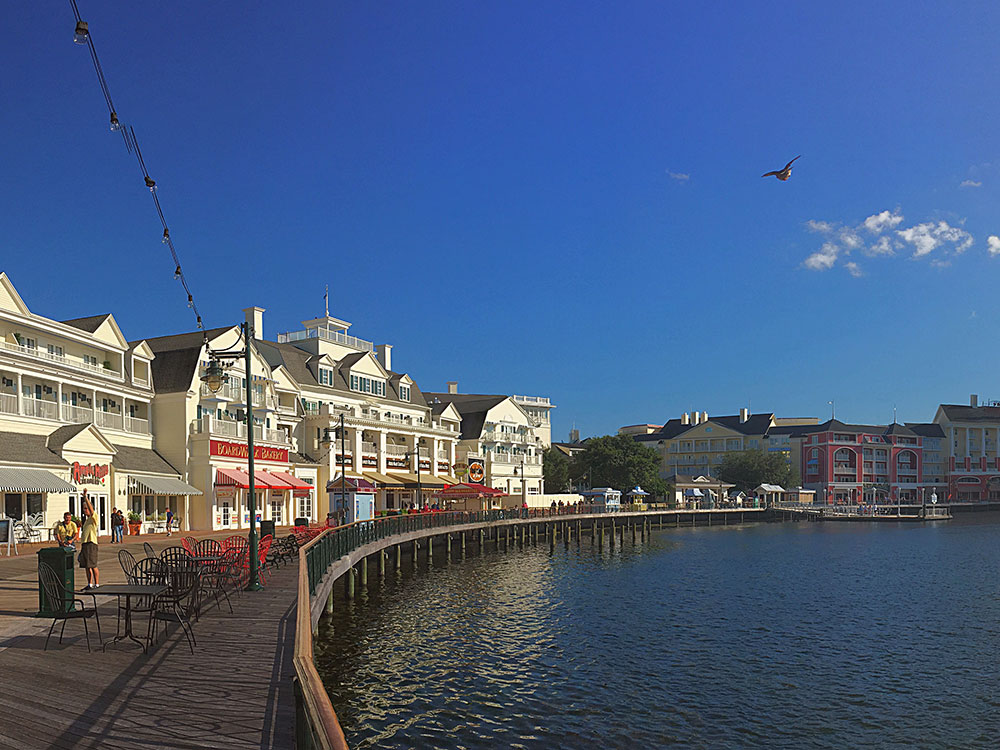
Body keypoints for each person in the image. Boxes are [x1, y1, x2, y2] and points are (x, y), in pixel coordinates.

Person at [79, 491, 100, 589]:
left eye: (86, 508)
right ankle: (89, 584)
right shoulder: (87, 520)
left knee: (93, 564)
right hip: (85, 544)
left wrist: (85, 498)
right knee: (87, 566)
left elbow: (91, 511)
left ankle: (97, 584)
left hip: (91, 543)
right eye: (84, 509)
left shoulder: (93, 517)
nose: (85, 510)